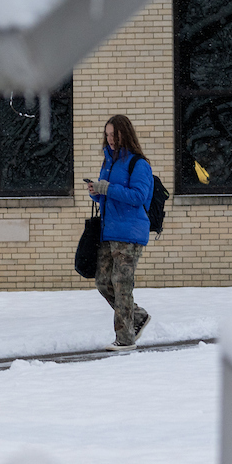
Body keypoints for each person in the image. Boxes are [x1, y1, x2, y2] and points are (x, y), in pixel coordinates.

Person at [86, 115, 154, 351]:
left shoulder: (139, 164)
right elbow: (108, 194)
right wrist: (96, 191)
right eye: (107, 135)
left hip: (130, 232)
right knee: (103, 282)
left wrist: (108, 188)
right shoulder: (108, 162)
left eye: (114, 134)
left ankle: (125, 339)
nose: (110, 139)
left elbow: (139, 197)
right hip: (108, 231)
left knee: (121, 284)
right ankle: (137, 316)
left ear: (125, 134)